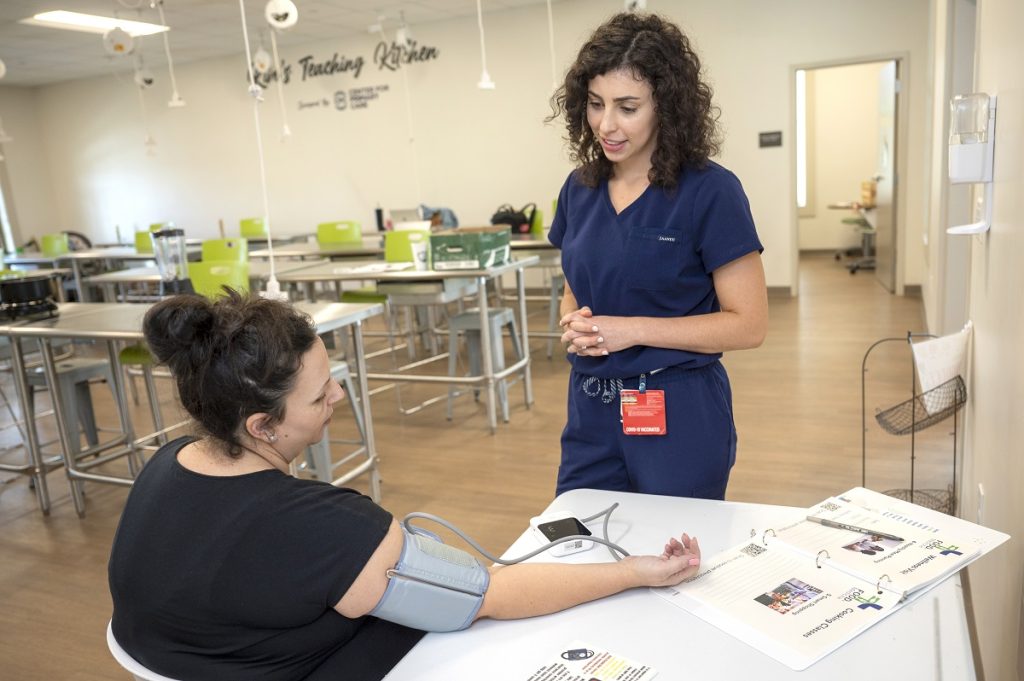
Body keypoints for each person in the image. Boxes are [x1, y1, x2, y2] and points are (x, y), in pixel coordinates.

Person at [108, 291, 703, 681]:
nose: (340, 396)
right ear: (261, 425)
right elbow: (488, 595)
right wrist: (634, 572)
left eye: (333, 377)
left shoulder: (171, 462)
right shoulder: (326, 528)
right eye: (320, 396)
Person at [546, 12, 768, 499]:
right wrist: (574, 322)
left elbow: (749, 325)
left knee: (674, 559)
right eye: (596, 104)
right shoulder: (579, 189)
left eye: (628, 107)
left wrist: (632, 330)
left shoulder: (710, 191)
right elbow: (574, 284)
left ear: (665, 106)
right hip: (591, 405)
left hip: (678, 409)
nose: (607, 125)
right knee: (580, 547)